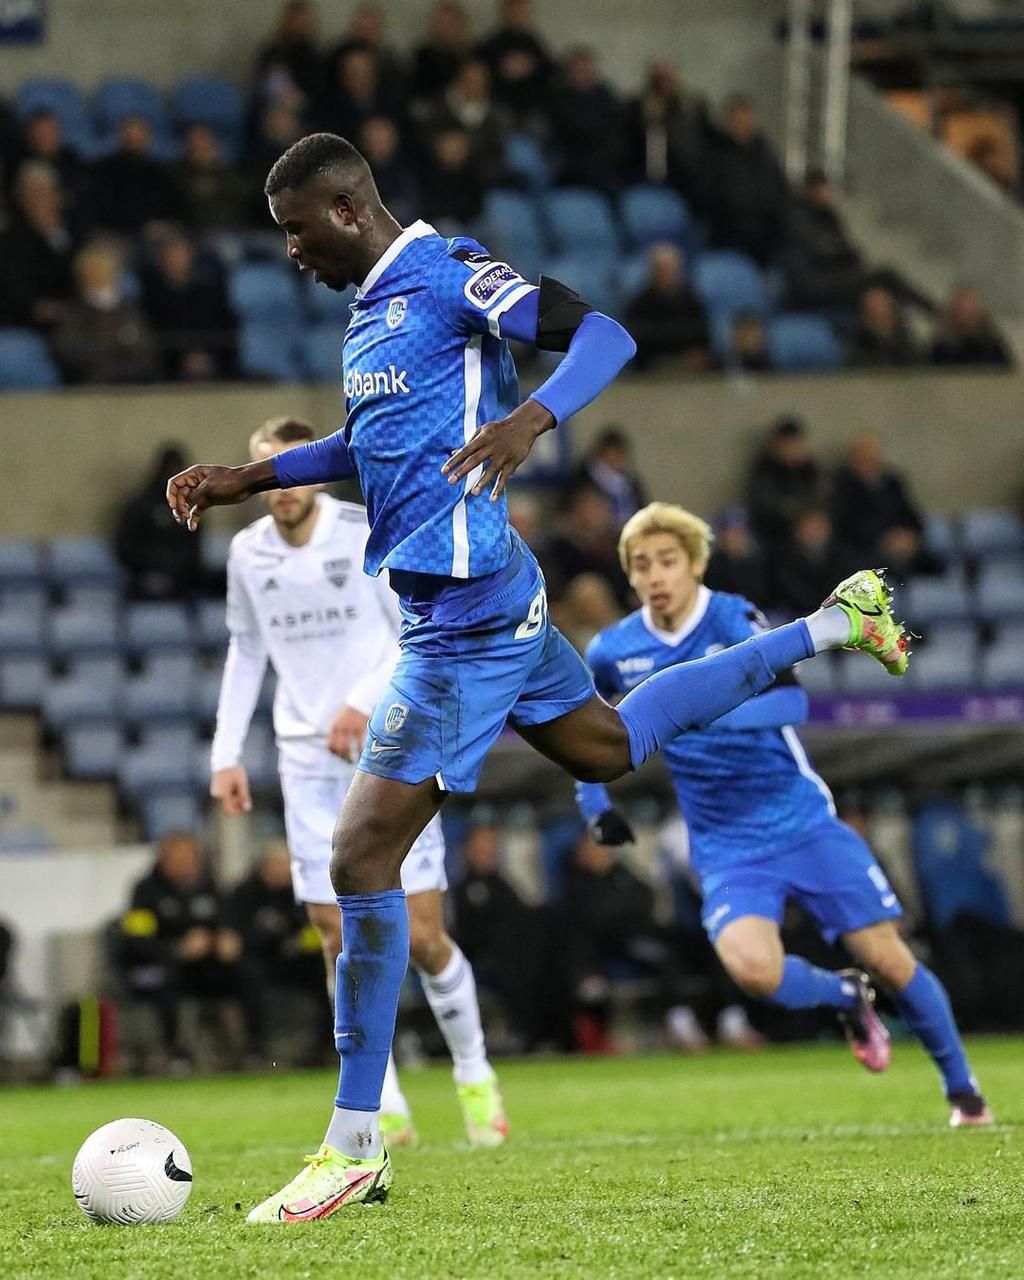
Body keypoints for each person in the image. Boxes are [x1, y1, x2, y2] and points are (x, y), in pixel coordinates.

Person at [165, 130, 909, 1221]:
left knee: (359, 854)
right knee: (606, 745)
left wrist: (532, 415)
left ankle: (353, 1141)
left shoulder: (445, 273)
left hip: (462, 620)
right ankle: (832, 623)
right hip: (476, 601)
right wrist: (253, 475)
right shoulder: (371, 313)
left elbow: (599, 332)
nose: (288, 257)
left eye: (292, 234)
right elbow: (374, 450)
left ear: (340, 211)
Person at [575, 502, 990, 1127]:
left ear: (695, 565)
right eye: (640, 565)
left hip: (799, 820)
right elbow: (590, 732)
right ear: (628, 577)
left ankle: (965, 1094)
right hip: (723, 841)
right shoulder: (614, 649)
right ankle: (844, 995)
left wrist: (693, 712)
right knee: (753, 969)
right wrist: (594, 803)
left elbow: (789, 706)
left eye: (667, 561)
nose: (655, 575)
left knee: (888, 956)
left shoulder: (734, 617)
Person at [210, 414, 507, 1151]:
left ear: (309, 471)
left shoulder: (365, 528)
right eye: (264, 469)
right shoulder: (247, 555)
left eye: (287, 468)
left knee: (427, 936)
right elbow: (246, 650)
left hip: (390, 740)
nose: (279, 487)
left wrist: (360, 701)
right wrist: (225, 752)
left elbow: (414, 630)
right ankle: (383, 1103)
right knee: (337, 935)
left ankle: (474, 1073)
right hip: (305, 759)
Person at [114, 832, 244, 1070]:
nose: (187, 864)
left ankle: (247, 1051)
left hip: (207, 964)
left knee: (249, 974)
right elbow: (137, 940)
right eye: (179, 858)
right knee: (166, 984)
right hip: (161, 964)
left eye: (191, 858)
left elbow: (228, 923)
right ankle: (176, 1052)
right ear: (165, 859)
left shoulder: (210, 885)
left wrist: (226, 939)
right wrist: (177, 949)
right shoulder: (145, 891)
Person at [226, 840, 328, 1065]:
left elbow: (318, 929)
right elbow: (232, 937)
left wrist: (301, 941)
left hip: (296, 960)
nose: (283, 870)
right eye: (277, 865)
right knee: (248, 975)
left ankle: (325, 1046)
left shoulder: (302, 892)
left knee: (328, 973)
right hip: (258, 960)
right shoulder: (245, 892)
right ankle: (256, 1048)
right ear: (264, 865)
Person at [51, 240, 160, 385]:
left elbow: (145, 347)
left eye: (104, 269)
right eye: (94, 270)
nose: (99, 275)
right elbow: (66, 348)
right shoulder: (75, 309)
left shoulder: (127, 307)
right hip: (92, 380)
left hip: (133, 379)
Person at [142, 230, 238, 382]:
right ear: (162, 259)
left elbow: (223, 327)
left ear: (191, 256)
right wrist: (182, 357)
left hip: (212, 362)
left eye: (181, 254)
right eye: (171, 256)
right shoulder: (151, 296)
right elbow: (153, 332)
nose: (176, 260)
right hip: (168, 367)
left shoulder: (208, 293)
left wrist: (205, 354)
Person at [114, 442, 205, 600]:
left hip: (183, 584)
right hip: (142, 580)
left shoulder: (192, 508)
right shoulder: (139, 505)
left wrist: (176, 572)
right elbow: (125, 548)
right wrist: (151, 568)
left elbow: (194, 552)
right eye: (169, 468)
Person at [830, 431, 930, 575]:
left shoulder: (892, 481)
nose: (870, 460)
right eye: (865, 455)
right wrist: (885, 539)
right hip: (866, 550)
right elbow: (846, 525)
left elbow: (910, 514)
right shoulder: (843, 485)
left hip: (901, 546)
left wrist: (909, 536)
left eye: (874, 455)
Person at [0, 162, 76, 331]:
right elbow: (14, 288)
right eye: (32, 195)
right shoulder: (10, 238)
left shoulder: (75, 230)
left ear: (57, 197)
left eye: (44, 194)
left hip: (77, 313)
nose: (39, 202)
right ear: (21, 200)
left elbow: (82, 270)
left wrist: (54, 235)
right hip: (28, 320)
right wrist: (35, 307)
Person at [623, 243, 713, 371]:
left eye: (670, 268)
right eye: (661, 268)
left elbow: (702, 333)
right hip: (654, 364)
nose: (666, 273)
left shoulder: (692, 301)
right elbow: (640, 339)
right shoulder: (640, 304)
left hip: (689, 362)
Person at [86, 115, 180, 237]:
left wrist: (162, 224)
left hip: (156, 233)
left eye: (139, 134)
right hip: (117, 232)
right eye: (129, 133)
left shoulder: (159, 171)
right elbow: (104, 208)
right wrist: (142, 225)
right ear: (121, 136)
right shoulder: (105, 169)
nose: (134, 139)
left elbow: (168, 206)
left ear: (148, 137)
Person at [744, 416, 824, 554]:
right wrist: (795, 515)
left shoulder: (809, 470)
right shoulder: (765, 469)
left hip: (806, 529)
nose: (791, 449)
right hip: (774, 532)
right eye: (787, 444)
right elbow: (764, 504)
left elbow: (819, 497)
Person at [548, 46, 621, 193]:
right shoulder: (557, 98)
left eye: (584, 68)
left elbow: (615, 134)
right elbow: (562, 132)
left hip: (602, 163)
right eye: (575, 69)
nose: (579, 73)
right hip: (569, 164)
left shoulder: (607, 97)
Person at [573, 426, 648, 528]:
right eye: (612, 455)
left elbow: (642, 508)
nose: (616, 460)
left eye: (620, 455)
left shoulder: (630, 481)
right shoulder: (583, 480)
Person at [930, 284, 1012, 369]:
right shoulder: (941, 348)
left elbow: (1006, 374)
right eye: (961, 309)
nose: (966, 314)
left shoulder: (992, 347)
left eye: (969, 308)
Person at [413, 1, 473, 102]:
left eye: (452, 22)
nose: (448, 27)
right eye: (444, 22)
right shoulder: (424, 55)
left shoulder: (471, 54)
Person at [850, 286, 920, 369]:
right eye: (873, 314)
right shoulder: (856, 355)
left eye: (883, 310)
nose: (879, 313)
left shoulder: (911, 349)